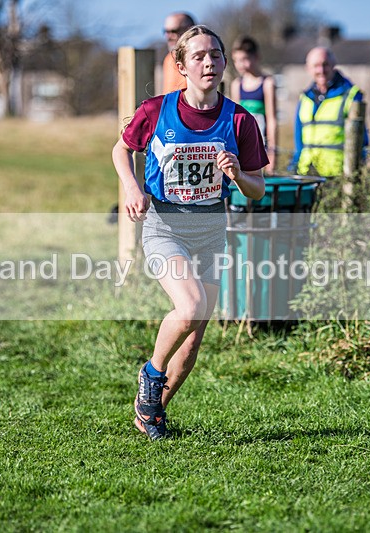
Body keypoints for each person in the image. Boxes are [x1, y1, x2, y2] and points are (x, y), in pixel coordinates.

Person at [112, 25, 267, 440]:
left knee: (193, 344)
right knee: (191, 304)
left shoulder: (239, 119)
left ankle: (151, 414)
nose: (208, 63)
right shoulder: (156, 111)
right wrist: (132, 188)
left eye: (215, 55)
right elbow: (121, 149)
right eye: (198, 56)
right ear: (181, 66)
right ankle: (150, 373)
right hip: (166, 226)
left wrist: (236, 174)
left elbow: (258, 187)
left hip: (211, 230)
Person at [290, 46, 368, 177]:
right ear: (308, 68)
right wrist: (294, 166)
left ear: (333, 65)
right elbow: (298, 139)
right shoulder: (304, 98)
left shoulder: (350, 94)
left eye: (325, 64)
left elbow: (361, 139)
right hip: (307, 174)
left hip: (337, 176)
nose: (321, 70)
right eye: (316, 66)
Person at [229, 36, 278, 173]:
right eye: (236, 60)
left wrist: (272, 152)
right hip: (244, 145)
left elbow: (272, 119)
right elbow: (236, 121)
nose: (240, 65)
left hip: (263, 145)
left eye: (244, 59)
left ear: (256, 57)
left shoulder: (267, 83)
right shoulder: (236, 85)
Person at [161, 12, 196, 94]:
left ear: (189, 30)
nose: (168, 36)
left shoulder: (202, 58)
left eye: (173, 31)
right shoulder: (169, 58)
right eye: (166, 31)